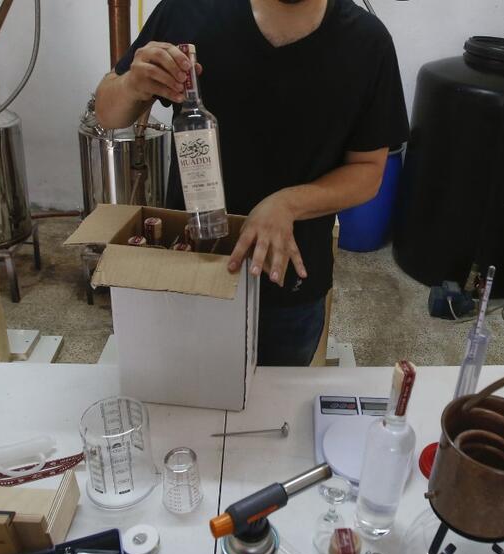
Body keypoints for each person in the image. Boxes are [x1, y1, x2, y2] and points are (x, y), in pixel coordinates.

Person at [95, 0, 409, 366]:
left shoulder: (366, 42)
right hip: (189, 267)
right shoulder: (187, 11)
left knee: (274, 410)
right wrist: (134, 84)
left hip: (287, 281)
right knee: (182, 399)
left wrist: (288, 204)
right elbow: (108, 112)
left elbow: (369, 171)